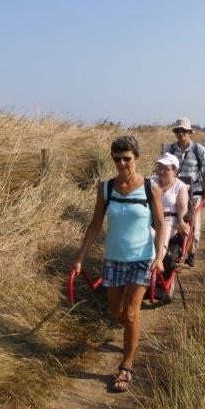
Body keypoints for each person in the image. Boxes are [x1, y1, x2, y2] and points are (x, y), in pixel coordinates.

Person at [72, 135, 166, 392]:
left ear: (136, 158)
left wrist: (158, 257)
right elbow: (94, 225)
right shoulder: (105, 188)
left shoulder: (150, 187)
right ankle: (131, 336)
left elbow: (160, 224)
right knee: (116, 312)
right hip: (113, 258)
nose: (122, 164)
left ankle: (126, 365)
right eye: (117, 159)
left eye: (127, 158)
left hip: (141, 259)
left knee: (131, 313)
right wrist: (80, 257)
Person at [165, 117, 205, 267]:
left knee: (194, 227)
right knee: (170, 220)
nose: (181, 133)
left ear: (190, 133)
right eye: (178, 130)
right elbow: (161, 169)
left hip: (194, 194)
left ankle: (191, 251)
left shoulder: (198, 149)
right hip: (173, 192)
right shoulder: (170, 150)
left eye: (184, 131)